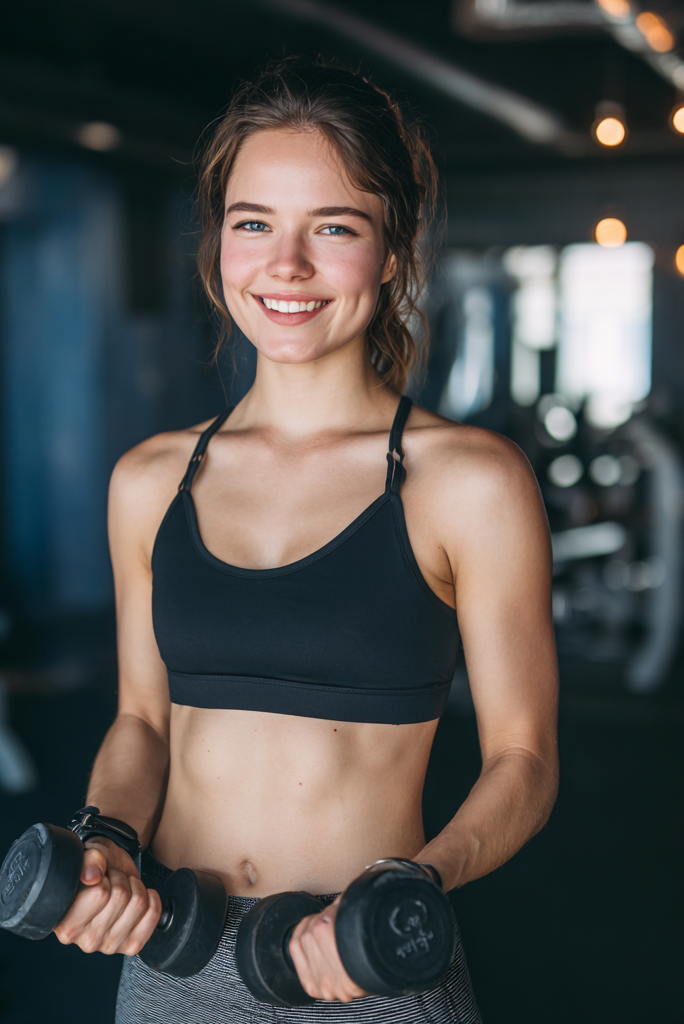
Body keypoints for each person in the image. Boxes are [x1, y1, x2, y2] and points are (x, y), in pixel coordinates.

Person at [54, 58, 559, 1023]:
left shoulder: (467, 482)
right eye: (254, 224)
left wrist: (410, 891)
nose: (286, 267)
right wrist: (108, 838)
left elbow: (524, 761)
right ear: (217, 248)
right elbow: (141, 724)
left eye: (333, 228)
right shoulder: (149, 480)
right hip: (171, 963)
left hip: (366, 968)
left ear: (395, 252)